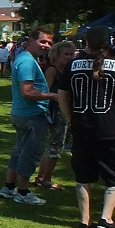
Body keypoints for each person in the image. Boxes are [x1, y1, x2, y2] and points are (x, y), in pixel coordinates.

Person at [57, 27, 115, 228]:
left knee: (83, 175)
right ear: (109, 43)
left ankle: (85, 220)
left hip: (81, 128)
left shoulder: (72, 65)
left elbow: (61, 95)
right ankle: (106, 218)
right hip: (110, 130)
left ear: (86, 42)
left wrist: (71, 118)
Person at [0, 29, 56, 206]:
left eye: (49, 43)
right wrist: (53, 96)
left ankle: (8, 188)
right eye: (43, 42)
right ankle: (22, 192)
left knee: (19, 151)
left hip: (21, 114)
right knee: (29, 153)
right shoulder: (27, 62)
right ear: (31, 40)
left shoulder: (26, 59)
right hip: (31, 115)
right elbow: (27, 91)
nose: (46, 46)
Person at [33, 40, 76, 191]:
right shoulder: (52, 70)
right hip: (55, 111)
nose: (70, 57)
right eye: (66, 54)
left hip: (65, 111)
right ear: (57, 55)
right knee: (55, 146)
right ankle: (46, 179)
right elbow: (45, 91)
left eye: (72, 54)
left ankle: (41, 177)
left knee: (53, 146)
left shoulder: (69, 70)